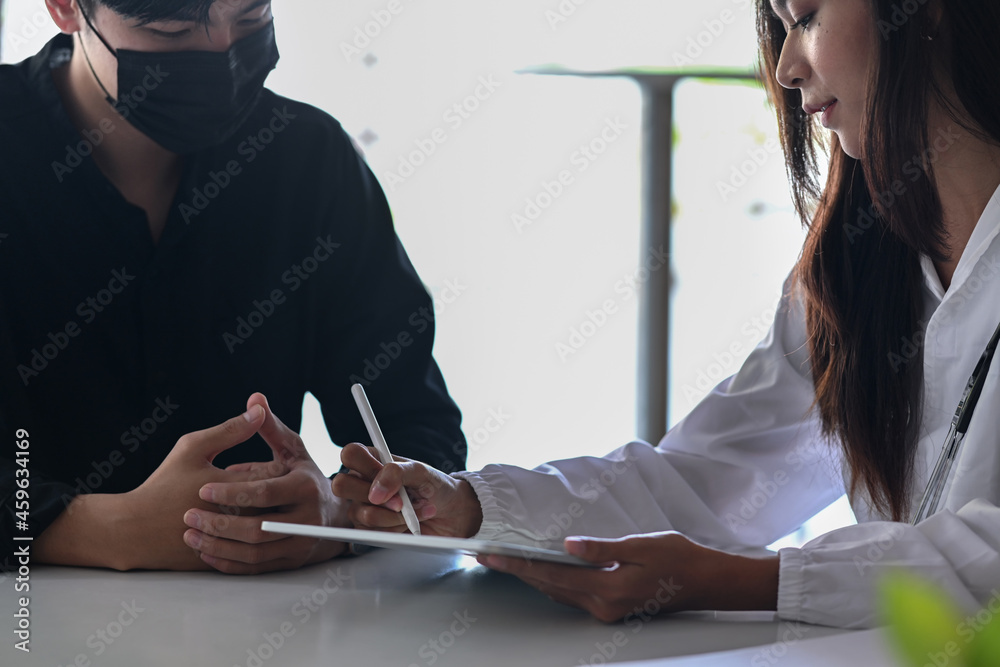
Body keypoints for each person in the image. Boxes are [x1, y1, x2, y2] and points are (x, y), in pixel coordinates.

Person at [334, 0, 1000, 629]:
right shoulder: (856, 269)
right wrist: (469, 503)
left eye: (807, 17)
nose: (788, 67)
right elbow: (702, 479)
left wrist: (751, 581)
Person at [0, 0, 466, 574]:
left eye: (250, 18)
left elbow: (416, 429)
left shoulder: (308, 160)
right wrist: (98, 530)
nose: (223, 55)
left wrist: (338, 514)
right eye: (171, 30)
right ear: (67, 8)